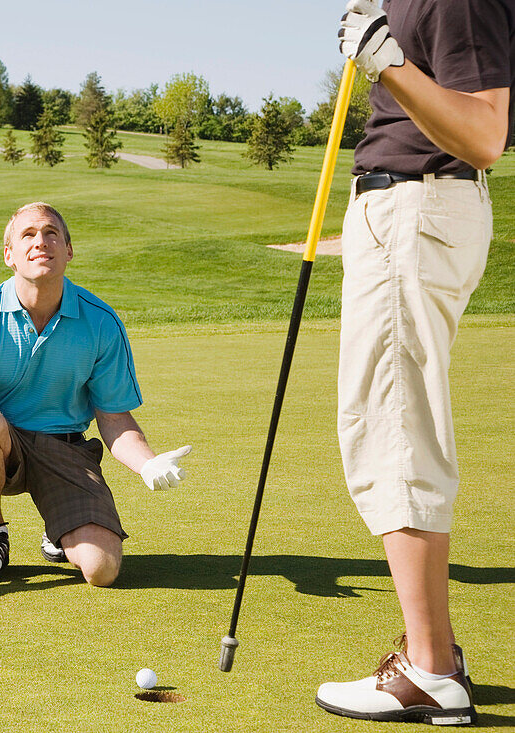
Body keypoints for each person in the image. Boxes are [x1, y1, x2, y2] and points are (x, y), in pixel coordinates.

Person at [316, 0, 513, 725]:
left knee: (394, 432)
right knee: (393, 424)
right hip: (406, 212)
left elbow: (487, 133)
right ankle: (437, 653)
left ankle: (428, 668)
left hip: (416, 210)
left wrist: (387, 60)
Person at [0, 202, 191, 588]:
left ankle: (59, 529)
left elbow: (114, 419)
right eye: (27, 235)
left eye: (51, 234)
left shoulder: (101, 322)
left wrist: (146, 464)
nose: (40, 242)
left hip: (66, 450)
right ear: (9, 255)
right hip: (1, 447)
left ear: (68, 250)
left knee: (102, 570)